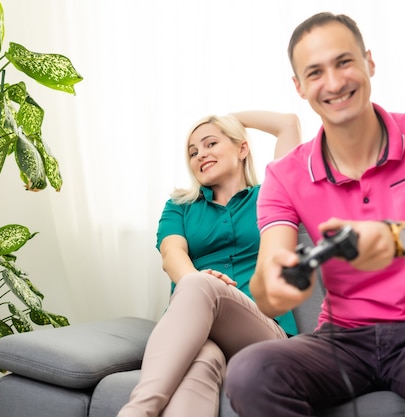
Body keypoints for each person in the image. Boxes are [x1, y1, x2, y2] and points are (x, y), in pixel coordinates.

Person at [225, 12, 405, 417]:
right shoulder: (283, 176)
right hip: (342, 341)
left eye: (344, 62)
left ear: (369, 62)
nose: (335, 83)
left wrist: (395, 237)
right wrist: (275, 287)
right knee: (250, 370)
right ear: (299, 87)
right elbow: (267, 291)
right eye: (316, 72)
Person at [116, 110, 301, 417]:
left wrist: (227, 117)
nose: (200, 154)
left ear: (242, 148)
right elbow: (171, 254)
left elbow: (288, 125)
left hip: (263, 328)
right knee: (200, 361)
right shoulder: (179, 206)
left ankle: (135, 412)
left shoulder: (272, 194)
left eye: (210, 143)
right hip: (198, 333)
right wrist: (197, 281)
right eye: (193, 152)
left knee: (201, 284)